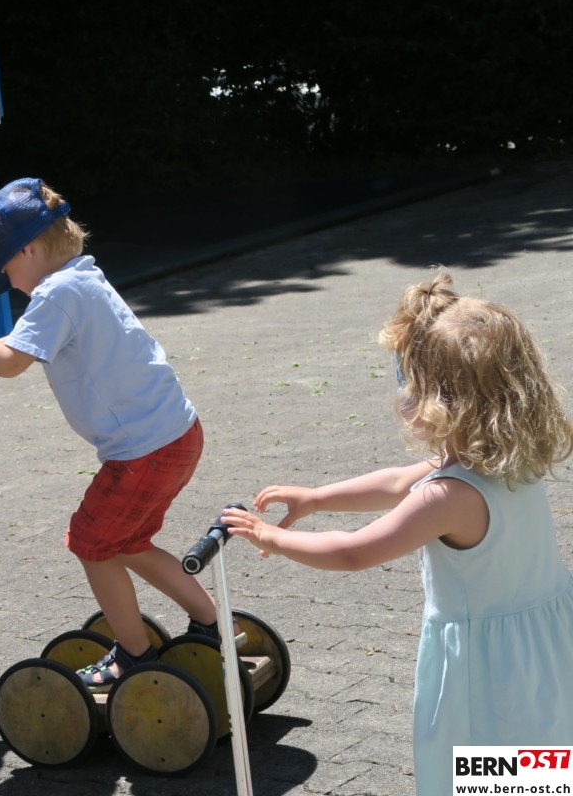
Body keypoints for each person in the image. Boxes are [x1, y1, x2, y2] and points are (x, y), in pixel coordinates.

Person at [223, 270, 573, 794]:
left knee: (482, 772)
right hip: (542, 646)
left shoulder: (449, 495)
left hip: (488, 669)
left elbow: (353, 552)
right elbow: (394, 483)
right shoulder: (506, 459)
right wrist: (317, 497)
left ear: (440, 400)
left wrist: (269, 537)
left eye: (408, 385)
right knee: (539, 766)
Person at [0, 177, 227, 690]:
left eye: (6, 275)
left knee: (91, 542)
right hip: (176, 434)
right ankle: (212, 625)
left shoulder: (56, 293)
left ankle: (133, 656)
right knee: (128, 541)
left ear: (28, 250)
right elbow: (11, 349)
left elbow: (9, 362)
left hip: (142, 452)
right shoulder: (82, 278)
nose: (12, 286)